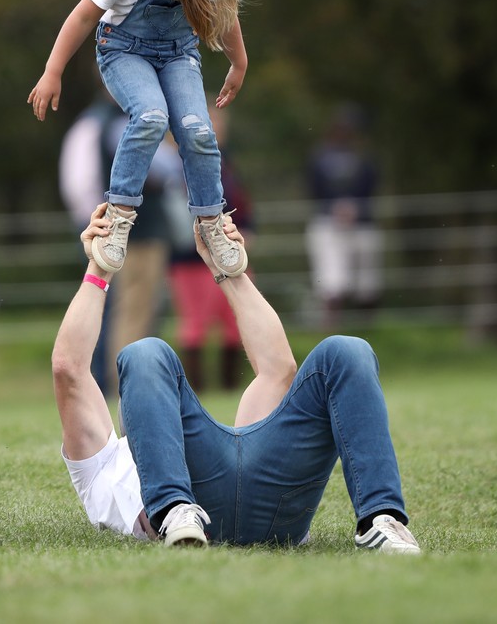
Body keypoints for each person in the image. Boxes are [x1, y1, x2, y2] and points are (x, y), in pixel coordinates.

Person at [52, 204, 420, 552]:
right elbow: (69, 369)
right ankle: (174, 509)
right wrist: (100, 268)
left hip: (268, 492)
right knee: (143, 352)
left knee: (346, 351)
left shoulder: (115, 459)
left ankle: (381, 517)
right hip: (189, 506)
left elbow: (278, 369)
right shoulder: (98, 465)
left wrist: (227, 268)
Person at [28, 0, 248, 285]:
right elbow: (82, 16)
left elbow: (227, 15)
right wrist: (52, 71)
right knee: (150, 117)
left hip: (179, 54)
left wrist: (239, 64)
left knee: (198, 130)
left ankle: (211, 220)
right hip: (123, 51)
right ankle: (118, 216)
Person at [59, 93, 178, 395]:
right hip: (139, 234)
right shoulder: (123, 124)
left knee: (135, 310)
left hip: (135, 232)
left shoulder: (103, 122)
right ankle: (129, 382)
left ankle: (130, 380)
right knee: (134, 312)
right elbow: (166, 168)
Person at [164, 105, 251, 391]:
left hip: (227, 249)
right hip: (190, 258)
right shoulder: (177, 164)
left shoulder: (227, 162)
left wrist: (247, 230)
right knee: (195, 323)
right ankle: (196, 390)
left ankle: (230, 386)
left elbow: (242, 202)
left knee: (234, 320)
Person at [306, 103, 383, 326]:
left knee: (367, 282)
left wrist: (356, 208)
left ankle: (367, 330)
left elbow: (371, 187)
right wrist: (334, 208)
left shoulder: (366, 158)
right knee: (332, 282)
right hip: (328, 223)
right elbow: (314, 188)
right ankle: (332, 330)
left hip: (362, 224)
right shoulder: (320, 157)